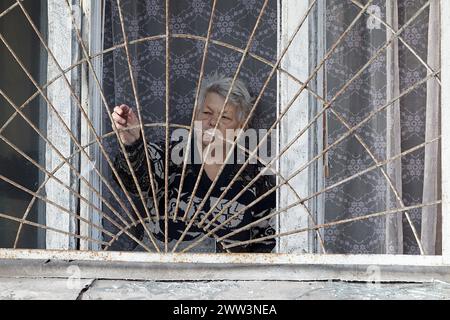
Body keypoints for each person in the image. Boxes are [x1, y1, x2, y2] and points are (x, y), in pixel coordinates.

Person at [111, 74, 276, 253]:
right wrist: (132, 142)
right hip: (161, 273)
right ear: (195, 115)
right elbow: (135, 182)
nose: (213, 122)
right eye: (206, 113)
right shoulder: (171, 154)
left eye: (225, 117)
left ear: (241, 126)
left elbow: (267, 242)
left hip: (229, 278)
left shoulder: (255, 176)